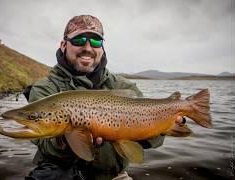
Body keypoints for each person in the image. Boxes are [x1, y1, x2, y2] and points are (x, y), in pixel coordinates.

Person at [24, 15, 185, 180]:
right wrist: (69, 138)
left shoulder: (123, 87)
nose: (88, 47)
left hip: (114, 176)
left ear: (102, 48)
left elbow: (152, 142)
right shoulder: (46, 88)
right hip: (62, 174)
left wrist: (166, 124)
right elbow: (44, 145)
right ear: (64, 45)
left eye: (95, 42)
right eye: (79, 40)